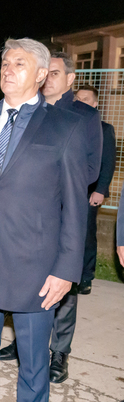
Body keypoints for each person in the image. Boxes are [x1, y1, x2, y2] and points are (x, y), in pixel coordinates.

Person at [0, 38, 87, 402]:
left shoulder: (65, 127)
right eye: (6, 63)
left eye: (20, 63)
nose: (8, 69)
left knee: (33, 366)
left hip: (36, 266)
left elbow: (75, 207)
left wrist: (66, 269)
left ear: (41, 74)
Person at [0, 52, 105, 380]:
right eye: (46, 73)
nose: (47, 79)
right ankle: (21, 342)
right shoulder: (30, 109)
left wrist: (47, 184)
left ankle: (59, 353)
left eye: (55, 73)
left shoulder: (85, 116)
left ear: (71, 79)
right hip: (26, 215)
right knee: (21, 278)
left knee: (63, 287)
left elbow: (90, 168)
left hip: (63, 212)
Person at [75, 85, 116, 295]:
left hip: (89, 192)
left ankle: (86, 276)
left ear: (95, 104)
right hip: (67, 189)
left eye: (85, 99)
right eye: (77, 98)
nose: (80, 101)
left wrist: (100, 189)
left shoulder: (104, 129)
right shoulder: (67, 125)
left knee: (86, 234)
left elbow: (108, 162)